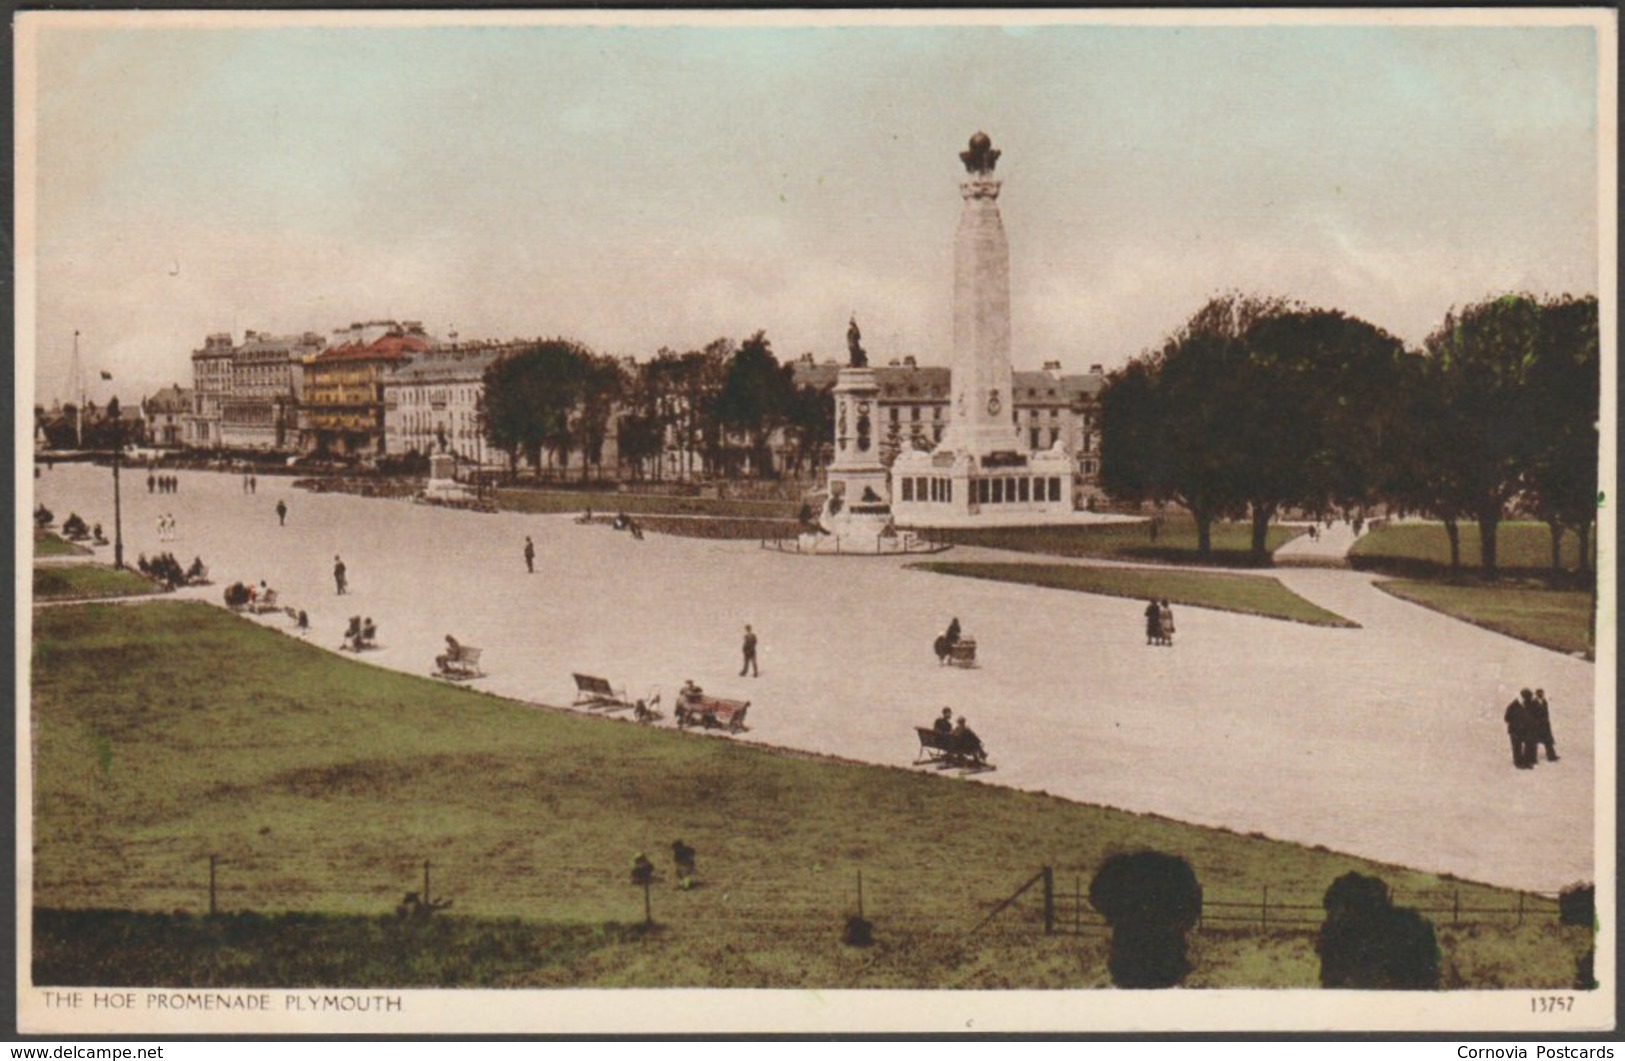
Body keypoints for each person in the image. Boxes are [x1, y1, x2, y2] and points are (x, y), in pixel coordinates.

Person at [1504, 691, 1535, 769]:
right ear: (1524, 697)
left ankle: (1526, 762)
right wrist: (1517, 723)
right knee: (1517, 747)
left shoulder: (1528, 705)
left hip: (1525, 730)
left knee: (1528, 745)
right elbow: (1506, 718)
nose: (1530, 700)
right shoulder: (1513, 706)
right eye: (1529, 698)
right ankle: (1518, 763)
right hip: (1515, 730)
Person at [1530, 688, 1559, 762]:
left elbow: (1546, 714)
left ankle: (1551, 756)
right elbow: (1532, 714)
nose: (1541, 695)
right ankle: (1532, 758)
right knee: (1534, 742)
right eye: (1539, 693)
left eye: (1542, 693)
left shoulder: (1544, 702)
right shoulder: (1533, 703)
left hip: (1545, 726)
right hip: (1536, 726)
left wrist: (1547, 722)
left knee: (1548, 741)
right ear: (1536, 694)